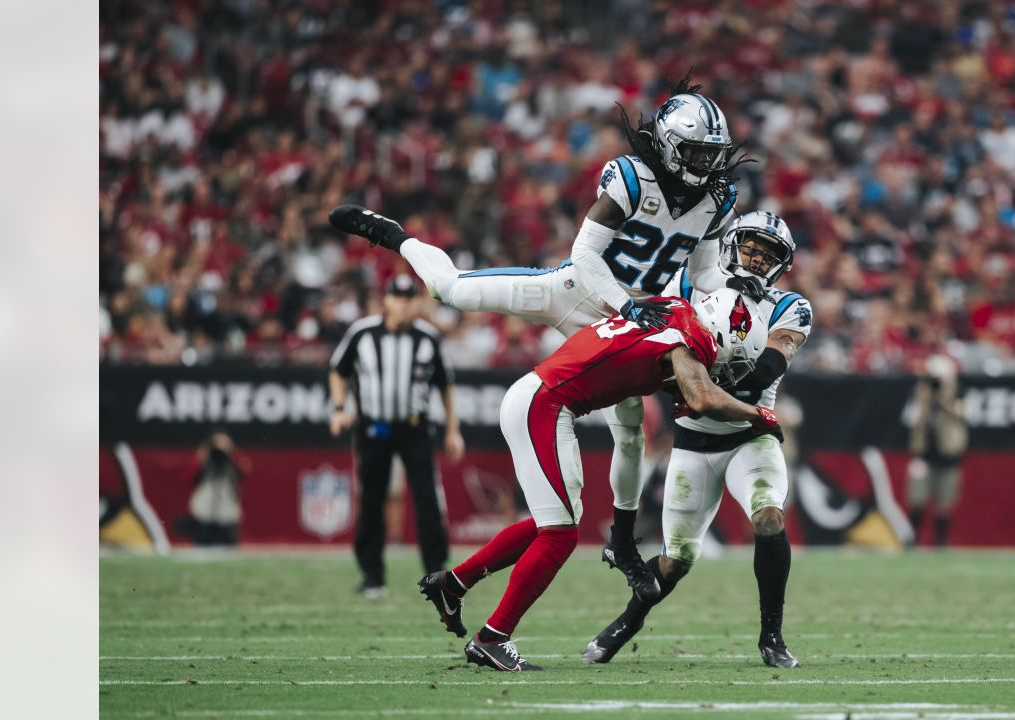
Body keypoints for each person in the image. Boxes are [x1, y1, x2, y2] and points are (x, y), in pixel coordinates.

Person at [328, 76, 771, 604]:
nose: (705, 164)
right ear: (673, 145)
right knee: (449, 290)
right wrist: (628, 304)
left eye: (710, 154)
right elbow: (585, 259)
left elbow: (702, 277)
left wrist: (735, 296)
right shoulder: (632, 178)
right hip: (578, 293)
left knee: (631, 432)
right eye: (696, 152)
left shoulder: (716, 201)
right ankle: (394, 235)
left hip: (633, 324)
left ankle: (623, 539)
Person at [416, 288, 773, 672]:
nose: (727, 366)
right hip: (548, 405)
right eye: (734, 355)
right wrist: (759, 415)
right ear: (719, 333)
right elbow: (703, 399)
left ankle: (453, 584)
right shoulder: (684, 344)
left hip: (537, 395)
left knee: (547, 525)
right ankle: (492, 637)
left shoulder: (673, 307)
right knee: (560, 535)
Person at [581, 211, 811, 669]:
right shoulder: (684, 288)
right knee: (677, 559)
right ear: (729, 245)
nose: (756, 258)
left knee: (768, 517)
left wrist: (701, 372)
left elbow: (766, 369)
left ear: (781, 266)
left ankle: (772, 635)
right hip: (693, 439)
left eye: (768, 255)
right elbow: (658, 361)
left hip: (750, 435)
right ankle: (627, 621)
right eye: (749, 247)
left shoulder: (791, 307)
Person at [329, 275, 465, 598]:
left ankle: (437, 577)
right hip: (373, 427)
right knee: (371, 500)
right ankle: (372, 576)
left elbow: (446, 384)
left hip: (414, 427)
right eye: (398, 298)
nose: (403, 304)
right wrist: (338, 408)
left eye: (409, 298)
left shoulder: (428, 338)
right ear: (386, 301)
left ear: (416, 303)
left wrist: (452, 429)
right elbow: (338, 369)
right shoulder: (362, 332)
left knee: (427, 500)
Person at [906, 354, 968, 548]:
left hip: (948, 454)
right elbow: (911, 419)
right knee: (917, 497)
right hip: (923, 454)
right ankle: (913, 538)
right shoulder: (920, 393)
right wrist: (924, 397)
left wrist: (944, 394)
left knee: (945, 500)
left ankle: (941, 540)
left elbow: (960, 413)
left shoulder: (957, 393)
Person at [176, 431, 250, 547]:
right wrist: (201, 458)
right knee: (201, 551)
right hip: (203, 513)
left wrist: (232, 454)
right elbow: (186, 479)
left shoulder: (232, 460)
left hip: (227, 514)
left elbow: (245, 471)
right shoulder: (204, 460)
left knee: (230, 553)